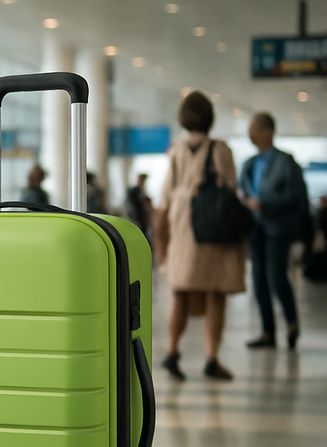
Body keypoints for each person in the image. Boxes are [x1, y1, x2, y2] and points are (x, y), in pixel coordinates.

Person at [154, 90, 245, 381]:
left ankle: (171, 351)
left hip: (182, 230)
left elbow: (164, 200)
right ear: (210, 118)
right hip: (211, 232)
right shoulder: (219, 149)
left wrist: (162, 245)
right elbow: (229, 188)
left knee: (180, 293)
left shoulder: (176, 151)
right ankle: (211, 358)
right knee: (215, 292)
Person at [240, 112, 308, 350]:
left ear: (268, 131)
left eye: (254, 129)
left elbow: (297, 197)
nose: (251, 134)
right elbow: (242, 192)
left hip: (278, 228)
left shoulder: (286, 162)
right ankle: (268, 331)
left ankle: (291, 323)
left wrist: (266, 204)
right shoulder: (249, 165)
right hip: (255, 229)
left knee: (277, 276)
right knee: (259, 279)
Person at [125, 173, 153, 243]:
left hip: (143, 218)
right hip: (137, 218)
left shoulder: (142, 191)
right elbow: (133, 207)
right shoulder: (134, 192)